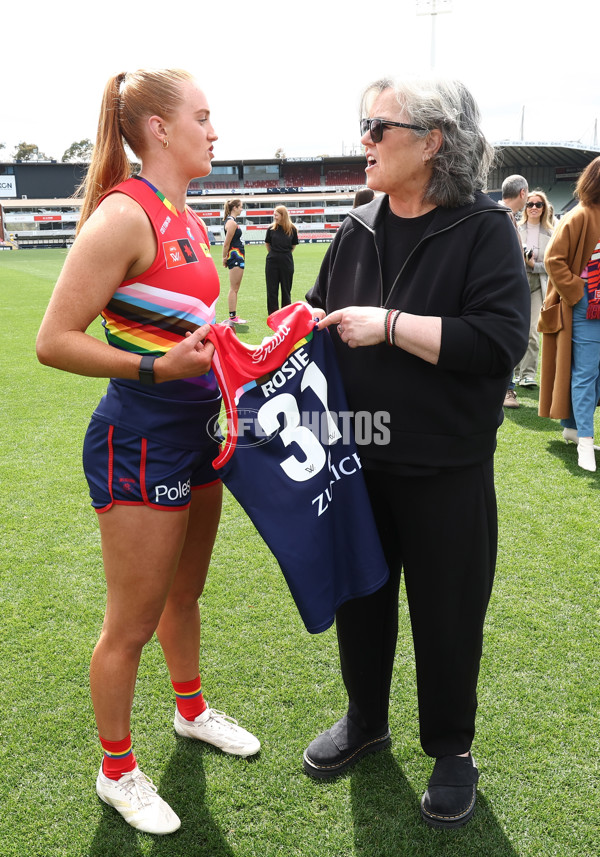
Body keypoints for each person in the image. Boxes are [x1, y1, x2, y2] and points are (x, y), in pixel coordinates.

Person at [36, 69, 260, 837]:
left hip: (197, 436)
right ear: (159, 128)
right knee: (128, 624)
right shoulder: (125, 215)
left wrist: (252, 350)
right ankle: (116, 767)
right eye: (203, 116)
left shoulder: (189, 217)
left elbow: (187, 332)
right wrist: (156, 368)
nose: (214, 130)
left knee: (185, 595)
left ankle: (191, 711)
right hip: (137, 441)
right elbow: (53, 341)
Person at [303, 76, 529, 830]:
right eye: (363, 125)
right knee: (361, 600)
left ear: (433, 141)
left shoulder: (484, 229)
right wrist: (293, 327)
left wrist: (390, 324)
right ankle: (366, 717)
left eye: (378, 127)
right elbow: (321, 312)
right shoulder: (355, 225)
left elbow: (499, 341)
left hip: (446, 465)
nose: (363, 140)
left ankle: (451, 749)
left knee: (447, 613)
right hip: (358, 456)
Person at [539, 156, 600, 471]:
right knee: (586, 374)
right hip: (586, 308)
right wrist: (580, 292)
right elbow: (553, 259)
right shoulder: (580, 215)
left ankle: (573, 429)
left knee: (593, 375)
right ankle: (585, 443)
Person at [515, 190, 554, 387]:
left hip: (539, 283)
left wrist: (533, 265)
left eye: (538, 204)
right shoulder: (515, 228)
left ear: (544, 208)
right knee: (514, 329)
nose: (534, 208)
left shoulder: (551, 233)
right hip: (517, 284)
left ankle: (528, 375)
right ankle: (514, 372)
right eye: (530, 204)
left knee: (532, 332)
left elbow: (553, 264)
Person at [499, 174, 529, 408]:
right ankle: (507, 390)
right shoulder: (501, 216)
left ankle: (506, 389)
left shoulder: (500, 213)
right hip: (503, 291)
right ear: (523, 193)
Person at [264, 204, 299, 315]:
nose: (274, 217)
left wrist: (284, 253)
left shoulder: (292, 229)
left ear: (283, 215)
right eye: (274, 215)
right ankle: (273, 314)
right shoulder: (271, 229)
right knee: (272, 290)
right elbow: (267, 244)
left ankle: (286, 314)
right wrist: (275, 254)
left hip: (286, 261)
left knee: (286, 289)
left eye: (276, 215)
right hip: (272, 261)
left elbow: (293, 246)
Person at [222, 198, 247, 324]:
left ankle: (233, 316)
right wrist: (224, 258)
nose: (242, 209)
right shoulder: (231, 223)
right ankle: (232, 317)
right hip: (235, 256)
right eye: (241, 207)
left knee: (235, 288)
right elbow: (226, 244)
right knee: (234, 288)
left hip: (237, 256)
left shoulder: (232, 221)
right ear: (235, 208)